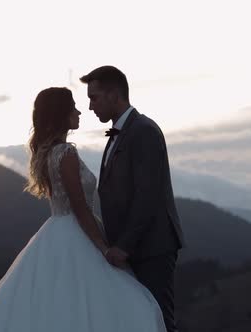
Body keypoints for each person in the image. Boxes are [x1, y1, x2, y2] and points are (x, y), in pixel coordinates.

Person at [0, 87, 165, 331]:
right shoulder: (66, 153)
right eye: (73, 108)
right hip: (77, 233)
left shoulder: (49, 153)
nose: (79, 112)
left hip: (58, 232)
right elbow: (79, 207)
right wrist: (103, 248)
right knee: (126, 303)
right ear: (61, 114)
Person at [80, 66, 185, 332]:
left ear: (114, 94)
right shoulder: (122, 131)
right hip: (133, 248)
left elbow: (147, 195)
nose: (90, 106)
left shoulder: (144, 131)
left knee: (158, 321)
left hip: (151, 247)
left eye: (94, 97)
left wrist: (124, 246)